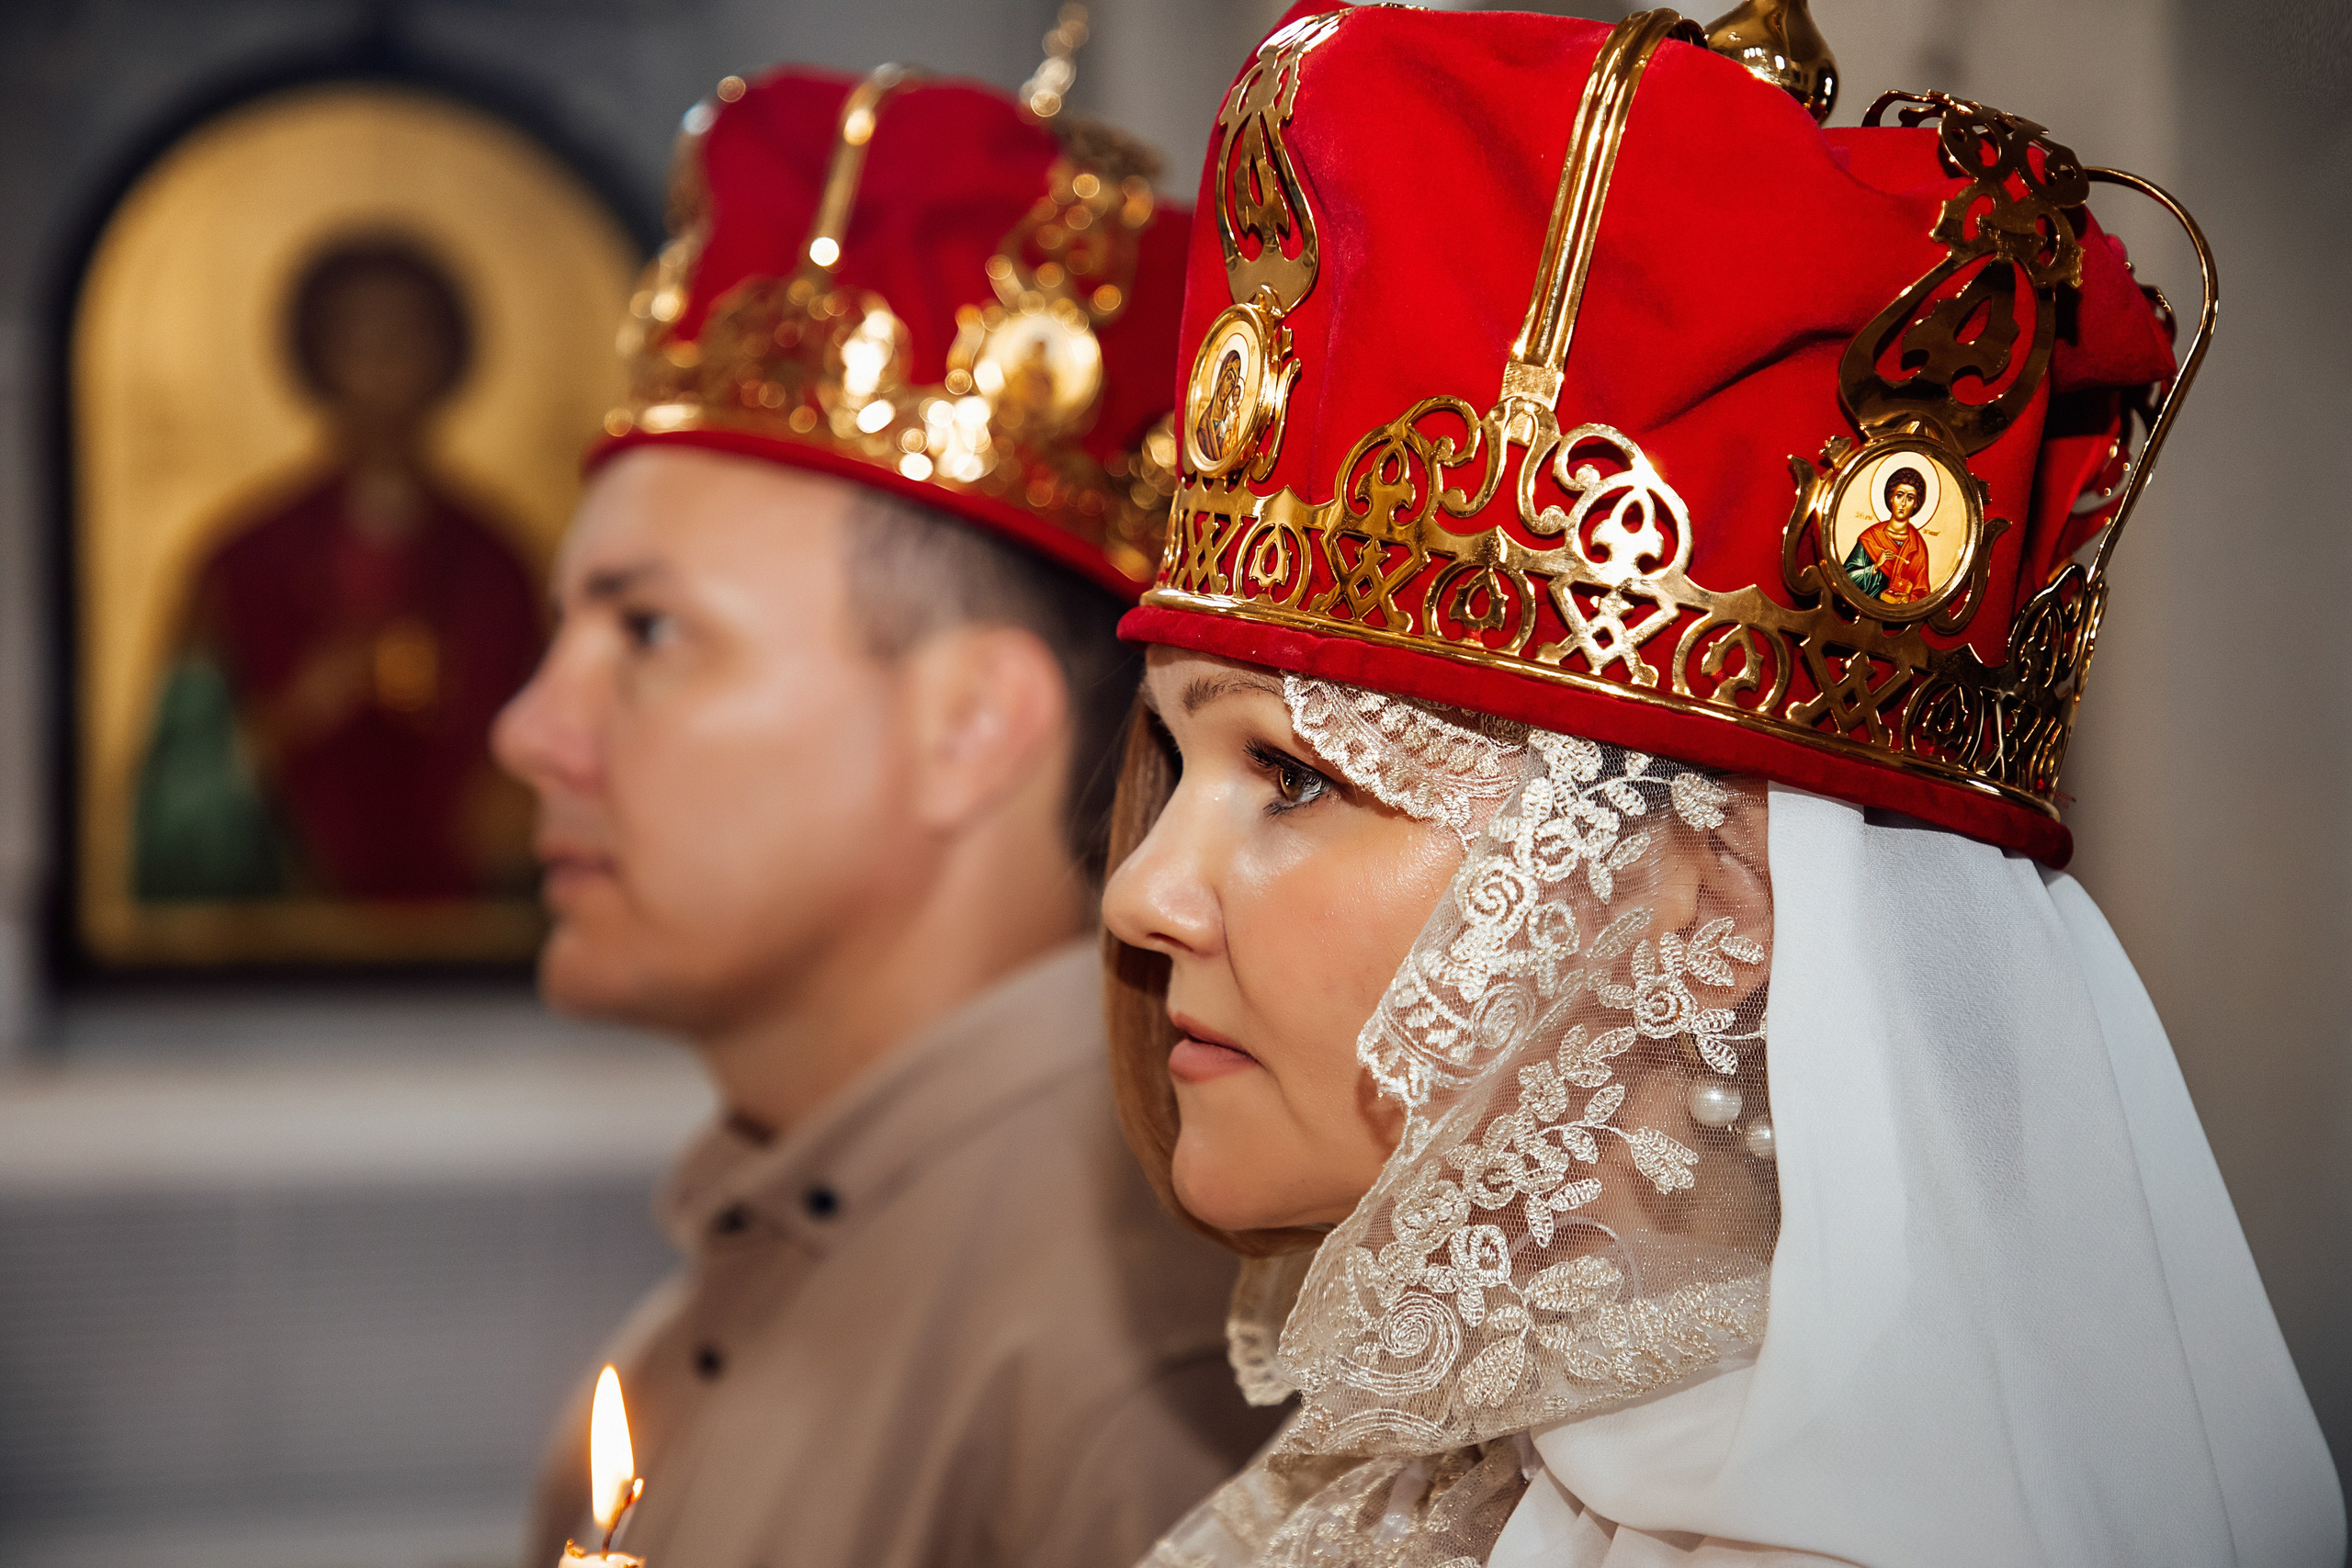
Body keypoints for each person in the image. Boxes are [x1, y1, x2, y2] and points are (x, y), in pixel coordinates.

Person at [1100, 6, 2346, 1564]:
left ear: (1714, 898)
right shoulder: (1391, 1497)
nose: (1140, 890)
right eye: (1177, 756)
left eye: (1293, 772)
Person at [493, 57, 1278, 1568]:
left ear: (969, 728)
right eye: (559, 632)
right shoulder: (758, 1256)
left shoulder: (1132, 1394)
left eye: (648, 632)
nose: (529, 730)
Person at [135, 236, 541, 900]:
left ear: (448, 352)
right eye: (358, 336)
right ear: (314, 355)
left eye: (407, 335)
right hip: (286, 924)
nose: (383, 361)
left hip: (459, 938)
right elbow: (178, 799)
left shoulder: (496, 563)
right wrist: (296, 710)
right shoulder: (243, 559)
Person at [1840, 467, 1931, 604]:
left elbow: (1922, 592)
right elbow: (1846, 578)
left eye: (1910, 498)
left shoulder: (1918, 546)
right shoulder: (1871, 537)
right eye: (1899, 495)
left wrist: (1909, 599)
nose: (1903, 503)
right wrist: (1875, 566)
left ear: (1916, 504)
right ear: (1891, 499)